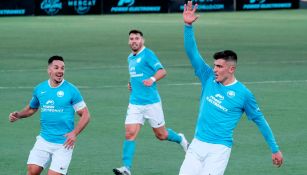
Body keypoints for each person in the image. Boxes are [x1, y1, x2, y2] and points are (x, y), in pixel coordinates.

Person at [179, 1, 283, 175]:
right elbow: (192, 53)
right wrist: (187, 26)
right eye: (215, 65)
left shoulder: (243, 94)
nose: (215, 69)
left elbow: (260, 121)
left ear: (231, 68)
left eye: (219, 66)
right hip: (196, 146)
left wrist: (275, 149)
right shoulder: (208, 77)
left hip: (218, 150)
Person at [113, 29, 189, 175]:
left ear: (142, 40)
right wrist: (131, 83)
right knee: (129, 134)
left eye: (137, 38)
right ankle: (126, 168)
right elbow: (136, 75)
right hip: (135, 103)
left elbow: (162, 71)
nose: (134, 41)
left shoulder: (148, 54)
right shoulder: (130, 57)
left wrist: (152, 79)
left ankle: (180, 139)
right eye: (131, 39)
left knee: (161, 135)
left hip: (151, 103)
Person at [9, 55, 90, 175]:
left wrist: (74, 133)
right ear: (49, 70)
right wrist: (19, 115)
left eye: (62, 68)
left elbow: (85, 114)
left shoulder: (71, 90)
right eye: (56, 68)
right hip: (44, 140)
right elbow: (32, 108)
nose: (60, 71)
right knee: (32, 171)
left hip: (63, 144)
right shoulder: (40, 89)